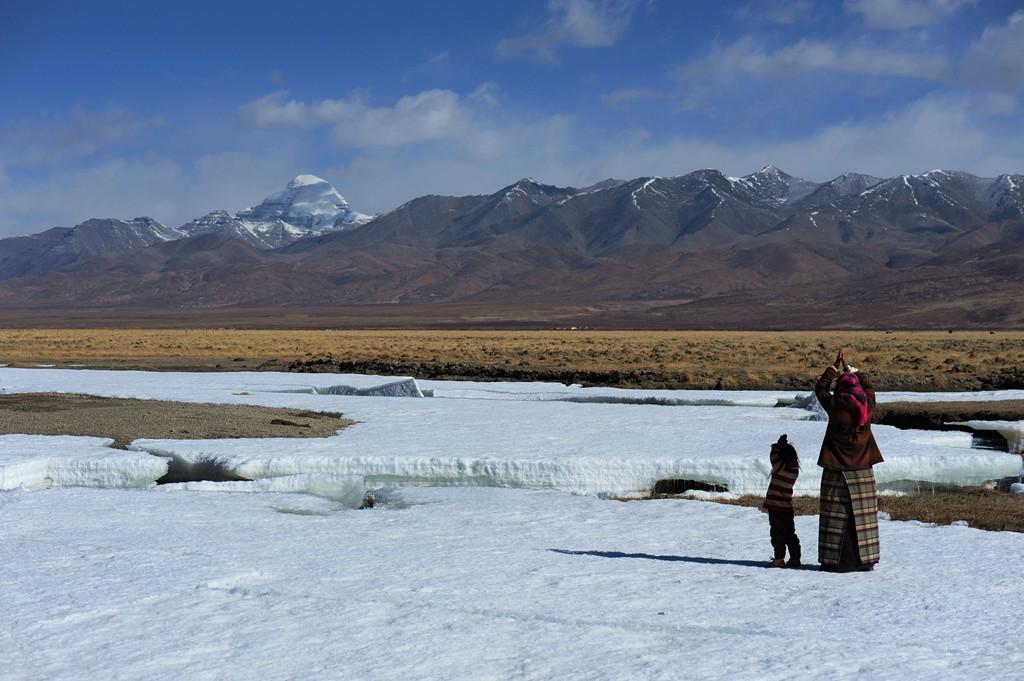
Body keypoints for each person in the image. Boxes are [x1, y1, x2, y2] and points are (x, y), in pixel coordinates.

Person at [815, 349, 883, 572]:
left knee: (836, 518)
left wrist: (835, 367)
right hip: (863, 470)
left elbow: (820, 388)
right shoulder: (867, 408)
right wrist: (856, 371)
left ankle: (836, 562)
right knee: (862, 519)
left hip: (836, 470)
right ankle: (865, 562)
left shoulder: (834, 407)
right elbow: (869, 388)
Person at [761, 434, 801, 568]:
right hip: (787, 508)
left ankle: (779, 558)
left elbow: (773, 457)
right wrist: (782, 447)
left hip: (776, 508)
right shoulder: (794, 471)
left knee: (776, 534)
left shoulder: (780, 468)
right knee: (790, 533)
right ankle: (795, 558)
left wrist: (777, 445)